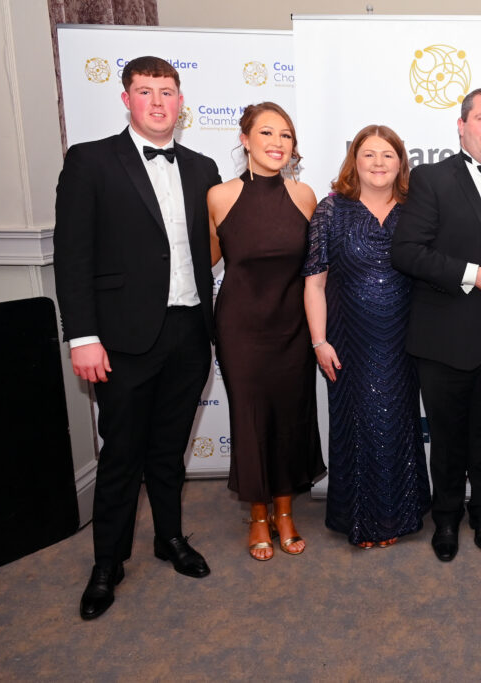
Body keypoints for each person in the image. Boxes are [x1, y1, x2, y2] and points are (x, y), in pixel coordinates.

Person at [54, 56, 221, 620]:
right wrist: (82, 336)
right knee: (122, 454)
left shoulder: (203, 167)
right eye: (145, 91)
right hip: (121, 337)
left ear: (181, 102)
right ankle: (108, 562)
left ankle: (169, 537)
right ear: (126, 99)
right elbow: (73, 256)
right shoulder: (90, 161)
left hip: (190, 331)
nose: (157, 102)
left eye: (167, 91)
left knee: (169, 452)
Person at [391, 88, 481, 562]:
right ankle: (447, 519)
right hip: (447, 335)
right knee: (449, 438)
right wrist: (476, 275)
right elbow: (407, 252)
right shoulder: (431, 178)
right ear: (462, 126)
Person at [302, 125, 430, 548]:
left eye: (388, 155)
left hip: (404, 340)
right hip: (348, 340)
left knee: (396, 424)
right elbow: (315, 283)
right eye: (369, 154)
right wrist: (319, 342)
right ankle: (361, 519)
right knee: (356, 427)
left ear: (401, 163)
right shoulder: (331, 210)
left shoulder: (415, 210)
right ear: (353, 161)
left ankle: (395, 517)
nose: (378, 163)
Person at [207, 102, 324, 561]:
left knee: (290, 418)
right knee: (251, 420)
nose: (277, 143)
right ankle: (258, 516)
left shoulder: (304, 195)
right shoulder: (219, 196)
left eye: (286, 135)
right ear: (245, 140)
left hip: (292, 328)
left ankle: (284, 511)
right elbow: (207, 260)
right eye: (267, 133)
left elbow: (317, 269)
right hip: (240, 329)